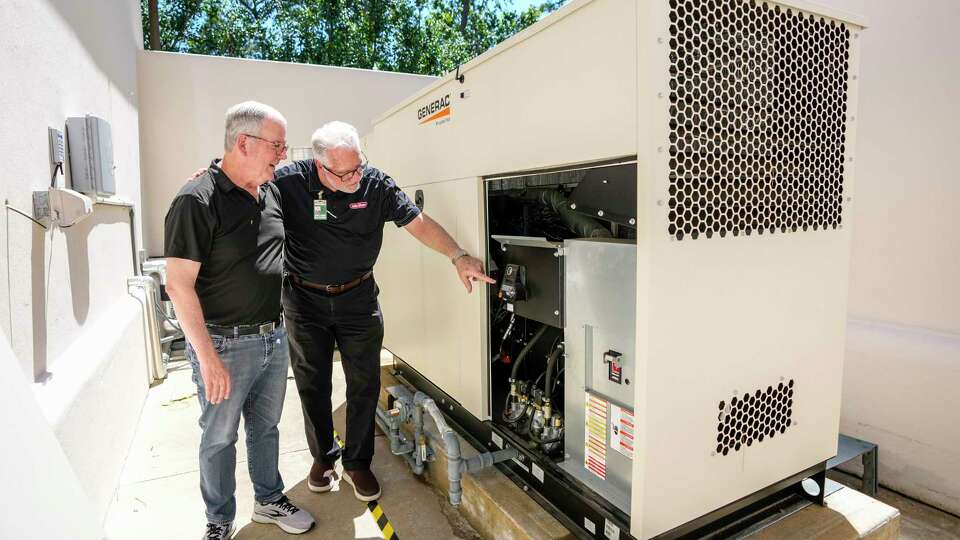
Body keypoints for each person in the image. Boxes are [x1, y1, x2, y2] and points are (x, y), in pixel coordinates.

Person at [274, 121, 494, 501]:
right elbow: (243, 191)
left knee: (364, 382)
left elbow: (418, 223)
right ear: (320, 166)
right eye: (345, 172)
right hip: (304, 301)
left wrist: (456, 255)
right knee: (313, 383)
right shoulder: (288, 183)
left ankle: (358, 463)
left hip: (357, 299)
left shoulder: (375, 184)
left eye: (359, 165)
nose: (356, 176)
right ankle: (323, 457)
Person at [165, 101, 315, 540]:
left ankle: (268, 500)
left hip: (273, 335)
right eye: (277, 145)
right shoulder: (196, 200)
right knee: (219, 437)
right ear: (244, 143)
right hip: (224, 345)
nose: (282, 155)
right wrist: (207, 358)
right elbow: (178, 285)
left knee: (266, 428)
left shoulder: (269, 190)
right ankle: (219, 520)